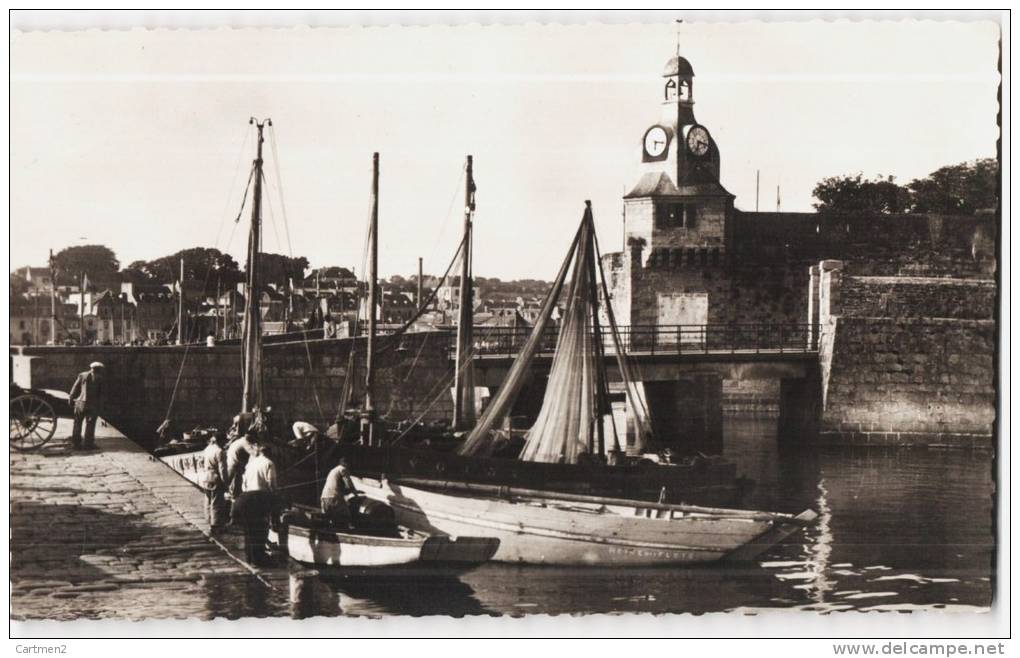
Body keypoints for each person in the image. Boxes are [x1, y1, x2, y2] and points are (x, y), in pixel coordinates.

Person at [231, 441, 279, 567]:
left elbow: (244, 484)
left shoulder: (251, 464)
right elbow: (271, 484)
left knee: (249, 530)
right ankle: (259, 559)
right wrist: (275, 497)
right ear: (269, 453)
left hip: (245, 497)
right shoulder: (269, 463)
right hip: (259, 498)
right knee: (260, 529)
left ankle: (250, 558)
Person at [68, 361, 104, 450]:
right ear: (99, 369)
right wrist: (101, 405)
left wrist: (71, 398)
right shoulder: (100, 378)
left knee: (77, 423)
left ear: (91, 368)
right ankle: (88, 444)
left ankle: (76, 444)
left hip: (80, 403)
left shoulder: (82, 375)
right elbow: (101, 394)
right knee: (90, 424)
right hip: (92, 405)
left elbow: (75, 388)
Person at [199, 431, 230, 529]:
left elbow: (200, 461)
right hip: (215, 478)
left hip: (205, 477)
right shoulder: (220, 451)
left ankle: (208, 521)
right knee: (217, 503)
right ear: (221, 441)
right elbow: (222, 469)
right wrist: (226, 482)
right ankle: (216, 526)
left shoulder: (207, 448)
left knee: (207, 500)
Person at [320, 458, 358, 528]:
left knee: (329, 519)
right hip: (334, 498)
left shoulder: (333, 470)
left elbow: (337, 486)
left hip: (324, 497)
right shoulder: (343, 469)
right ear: (346, 464)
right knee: (347, 517)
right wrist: (355, 493)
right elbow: (349, 484)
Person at [226, 429, 258, 501]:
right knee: (234, 486)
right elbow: (255, 454)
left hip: (232, 463)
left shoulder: (240, 440)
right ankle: (233, 502)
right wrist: (257, 445)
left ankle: (233, 498)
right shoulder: (245, 442)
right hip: (234, 465)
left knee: (234, 484)